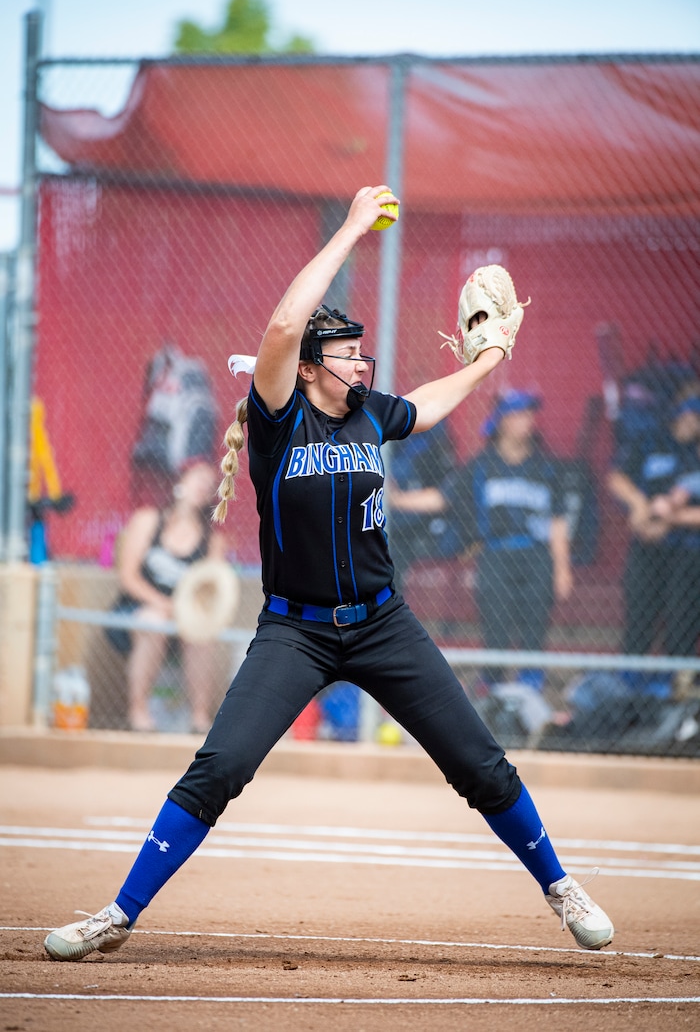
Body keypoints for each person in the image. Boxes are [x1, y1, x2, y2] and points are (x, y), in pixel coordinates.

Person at [44, 185, 613, 963]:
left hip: (381, 623)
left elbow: (426, 403)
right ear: (309, 368)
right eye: (345, 354)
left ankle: (560, 886)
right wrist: (352, 229)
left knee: (479, 763)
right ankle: (118, 911)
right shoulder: (281, 415)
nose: (359, 362)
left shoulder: (369, 412)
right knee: (221, 766)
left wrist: (488, 361)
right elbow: (284, 325)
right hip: (296, 632)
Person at [442, 389, 573, 735]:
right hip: (496, 555)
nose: (525, 421)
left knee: (534, 630)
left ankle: (531, 702)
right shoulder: (481, 465)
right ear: (500, 421)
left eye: (529, 414)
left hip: (537, 556)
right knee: (495, 631)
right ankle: (494, 700)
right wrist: (398, 499)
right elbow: (447, 498)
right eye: (517, 415)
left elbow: (558, 520)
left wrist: (562, 568)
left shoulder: (546, 467)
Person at [106, 457, 228, 733]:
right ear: (179, 481)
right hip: (138, 609)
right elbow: (128, 577)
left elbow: (213, 587)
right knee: (154, 620)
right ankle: (138, 712)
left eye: (208, 484)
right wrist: (164, 604)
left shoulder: (212, 538)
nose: (203, 487)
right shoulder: (149, 519)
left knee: (202, 636)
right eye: (197, 479)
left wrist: (186, 610)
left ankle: (199, 718)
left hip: (186, 616)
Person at [606, 394, 700, 676]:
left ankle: (678, 688)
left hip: (687, 551)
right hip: (647, 545)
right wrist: (640, 505)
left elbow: (679, 503)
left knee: (682, 621)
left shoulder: (695, 453)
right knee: (639, 617)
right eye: (687, 416)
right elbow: (617, 477)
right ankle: (631, 682)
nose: (690, 424)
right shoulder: (651, 441)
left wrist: (669, 519)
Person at [384, 420, 457, 586]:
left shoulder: (431, 451)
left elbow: (442, 499)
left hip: (420, 528)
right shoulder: (385, 449)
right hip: (388, 528)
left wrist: (393, 498)